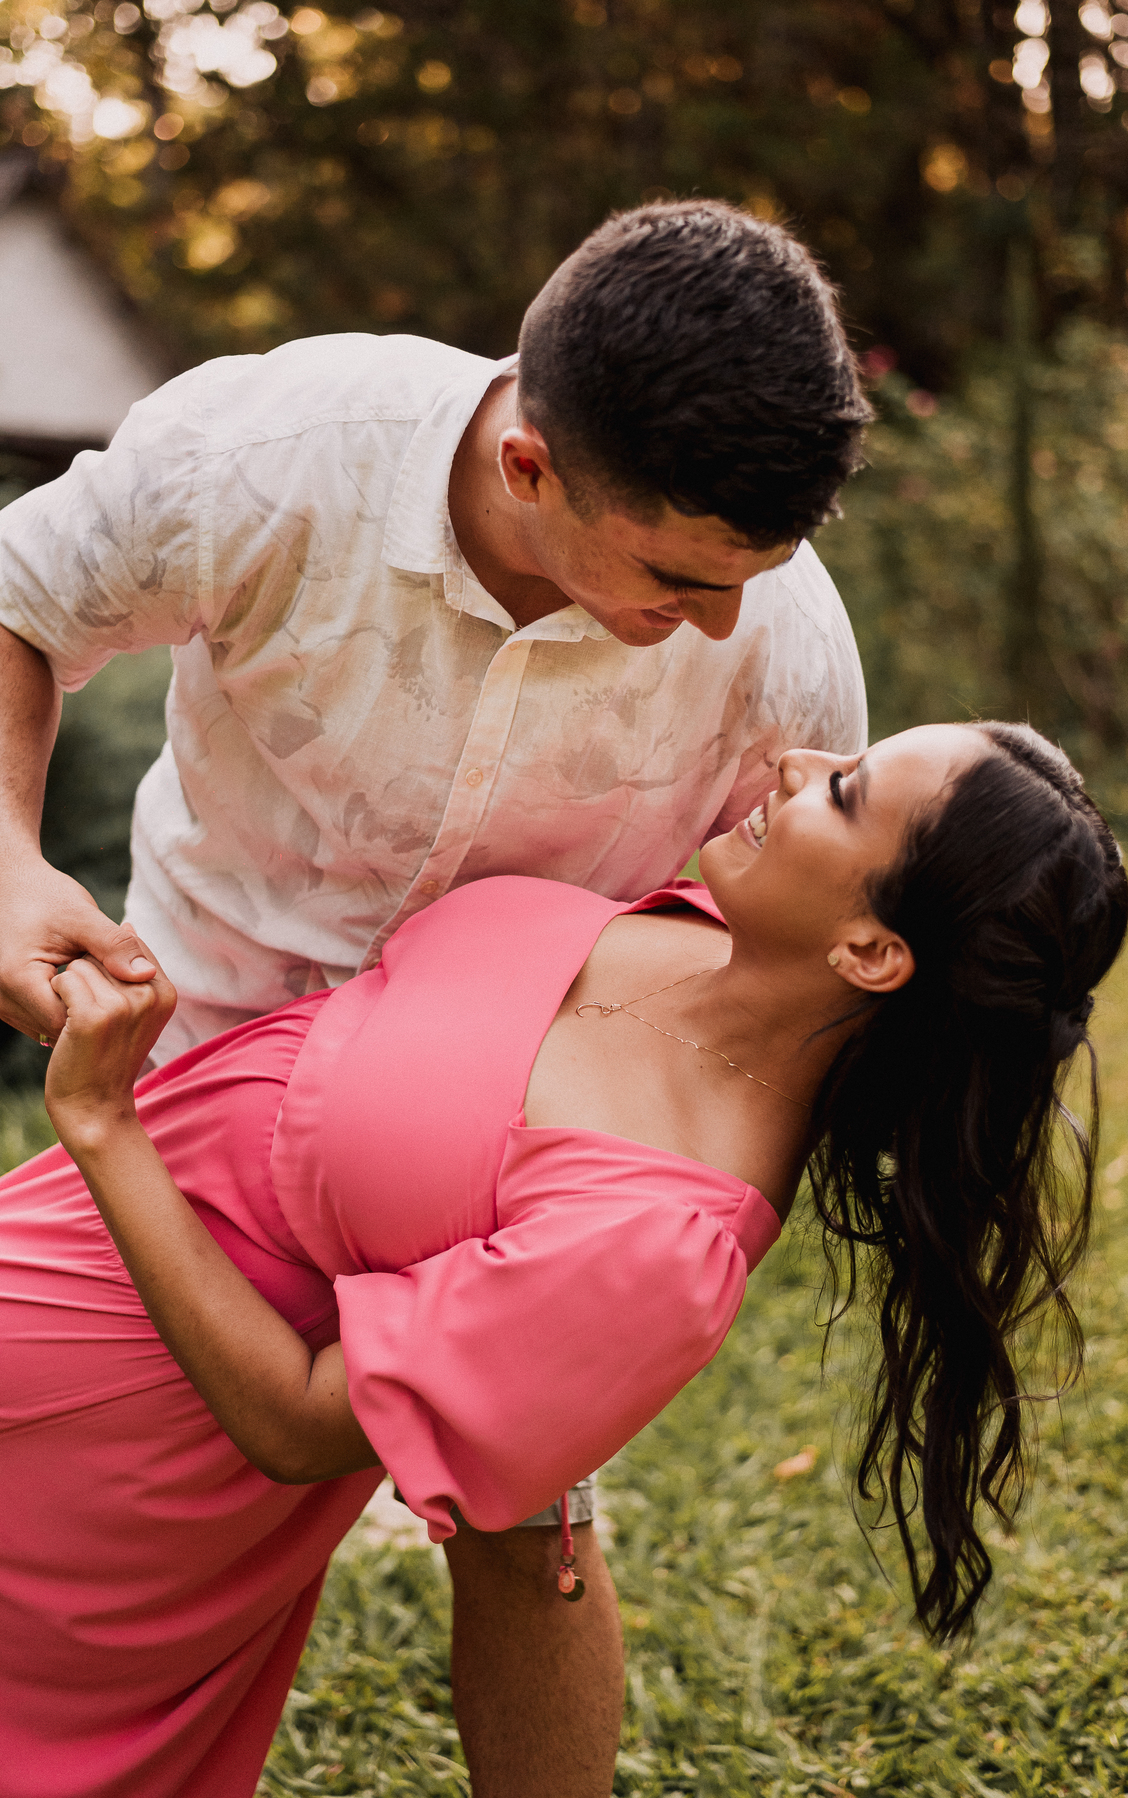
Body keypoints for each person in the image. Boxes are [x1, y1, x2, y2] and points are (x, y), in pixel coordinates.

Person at [0, 202, 869, 1783]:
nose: (725, 622)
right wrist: (3, 860)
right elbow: (18, 602)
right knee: (104, 1485)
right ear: (530, 464)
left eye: (757, 573)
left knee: (530, 1532)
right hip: (202, 1068)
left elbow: (808, 935)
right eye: (677, 577)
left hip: (502, 1131)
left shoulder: (780, 637)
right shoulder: (273, 454)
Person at [0, 721, 1128, 1798]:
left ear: (871, 951)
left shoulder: (661, 1246)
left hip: (109, 1450)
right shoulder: (704, 923)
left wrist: (105, 1122)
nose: (796, 762)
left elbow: (298, 1425)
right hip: (51, 1239)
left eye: (844, 792)